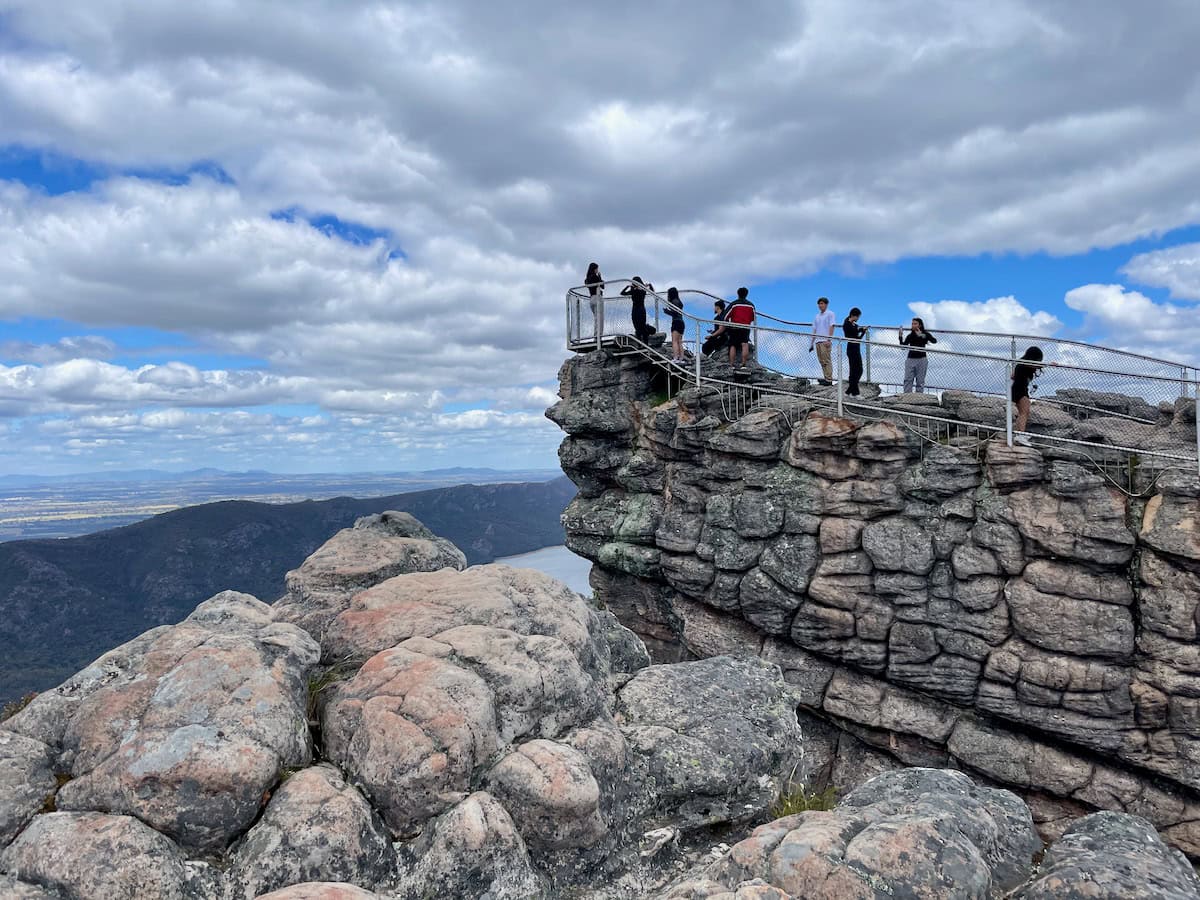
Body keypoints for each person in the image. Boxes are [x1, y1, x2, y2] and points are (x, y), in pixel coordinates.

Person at [1011, 346, 1044, 445]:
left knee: (1024, 412)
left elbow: (1012, 376)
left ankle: (1019, 433)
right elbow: (1034, 366)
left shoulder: (1021, 364)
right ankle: (1020, 435)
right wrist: (1048, 364)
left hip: (1021, 390)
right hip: (1019, 390)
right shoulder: (1024, 364)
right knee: (1024, 412)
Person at [898, 317, 937, 393]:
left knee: (920, 380)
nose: (913, 325)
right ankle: (907, 396)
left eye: (915, 324)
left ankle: (918, 398)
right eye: (912, 324)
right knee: (908, 379)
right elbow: (903, 347)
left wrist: (922, 335)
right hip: (910, 359)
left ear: (920, 325)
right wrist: (900, 336)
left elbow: (934, 341)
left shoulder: (925, 333)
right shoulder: (910, 335)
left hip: (922, 359)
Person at [723, 287, 756, 369]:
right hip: (745, 327)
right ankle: (744, 364)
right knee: (745, 344)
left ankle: (731, 364)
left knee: (733, 345)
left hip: (735, 327)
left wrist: (728, 325)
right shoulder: (751, 305)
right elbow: (753, 318)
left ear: (738, 294)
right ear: (746, 294)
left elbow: (725, 316)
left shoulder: (734, 304)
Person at [809, 297, 835, 385]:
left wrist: (829, 339)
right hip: (818, 341)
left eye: (822, 303)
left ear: (826, 304)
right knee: (821, 361)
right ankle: (825, 378)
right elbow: (814, 329)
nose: (820, 305)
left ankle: (829, 379)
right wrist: (811, 343)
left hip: (825, 341)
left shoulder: (830, 314)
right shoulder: (817, 316)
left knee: (827, 360)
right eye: (819, 304)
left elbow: (832, 326)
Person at [842, 307, 867, 396]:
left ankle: (849, 391)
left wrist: (861, 329)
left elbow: (856, 332)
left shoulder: (854, 325)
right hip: (851, 349)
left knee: (859, 370)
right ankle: (855, 393)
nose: (858, 319)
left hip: (857, 349)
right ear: (853, 315)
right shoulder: (847, 324)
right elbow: (856, 337)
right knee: (853, 371)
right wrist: (863, 332)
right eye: (857, 317)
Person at [621, 276, 655, 342]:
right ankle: (641, 344)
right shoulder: (635, 290)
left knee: (641, 327)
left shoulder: (641, 290)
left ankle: (644, 343)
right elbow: (622, 293)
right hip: (637, 310)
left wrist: (649, 285)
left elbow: (652, 292)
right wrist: (628, 287)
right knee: (637, 327)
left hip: (639, 310)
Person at [665, 286, 686, 364]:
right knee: (680, 341)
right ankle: (681, 358)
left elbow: (675, 313)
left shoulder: (674, 301)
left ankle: (675, 357)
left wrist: (667, 312)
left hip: (676, 322)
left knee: (674, 341)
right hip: (681, 322)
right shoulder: (679, 302)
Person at [584, 263, 604, 337]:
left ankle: (596, 336)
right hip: (597, 298)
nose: (597, 270)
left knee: (596, 319)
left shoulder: (587, 279)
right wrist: (599, 276)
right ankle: (598, 337)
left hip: (591, 299)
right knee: (599, 319)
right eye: (597, 269)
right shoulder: (595, 277)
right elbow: (603, 286)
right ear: (594, 269)